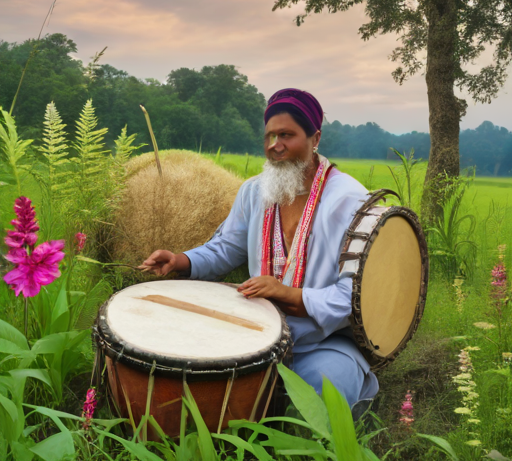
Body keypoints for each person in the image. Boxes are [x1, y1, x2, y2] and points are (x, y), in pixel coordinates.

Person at [140, 88, 379, 408]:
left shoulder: (351, 201)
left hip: (321, 342)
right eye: (269, 136)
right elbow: (227, 247)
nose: (274, 146)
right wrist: (181, 260)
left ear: (315, 138)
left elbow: (356, 295)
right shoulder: (255, 191)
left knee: (326, 390)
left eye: (286, 135)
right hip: (252, 331)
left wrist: (287, 294)